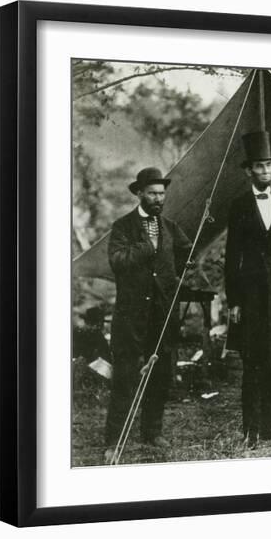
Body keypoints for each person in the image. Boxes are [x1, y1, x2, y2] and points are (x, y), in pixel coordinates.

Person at [104, 167, 192, 462]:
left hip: (162, 315)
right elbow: (117, 261)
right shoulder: (123, 226)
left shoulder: (169, 226)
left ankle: (152, 432)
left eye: (161, 193)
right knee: (125, 377)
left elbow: (184, 254)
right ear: (139, 193)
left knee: (161, 374)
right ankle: (114, 441)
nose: (158, 198)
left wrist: (181, 269)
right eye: (152, 193)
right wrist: (145, 247)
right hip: (131, 317)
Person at [224, 131, 271, 448]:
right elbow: (232, 257)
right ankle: (251, 431)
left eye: (269, 165)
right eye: (259, 166)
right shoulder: (239, 206)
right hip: (251, 298)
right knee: (253, 364)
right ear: (249, 171)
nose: (266, 171)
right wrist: (235, 301)